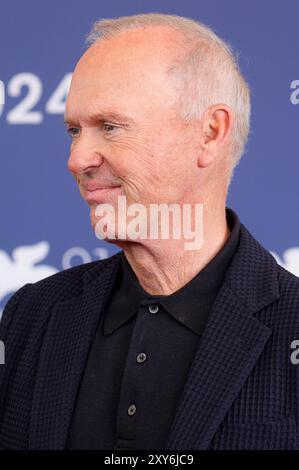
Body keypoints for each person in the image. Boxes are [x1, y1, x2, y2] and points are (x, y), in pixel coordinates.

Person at [0, 13, 298, 450]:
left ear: (210, 132)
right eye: (73, 130)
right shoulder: (31, 315)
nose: (77, 159)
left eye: (111, 127)